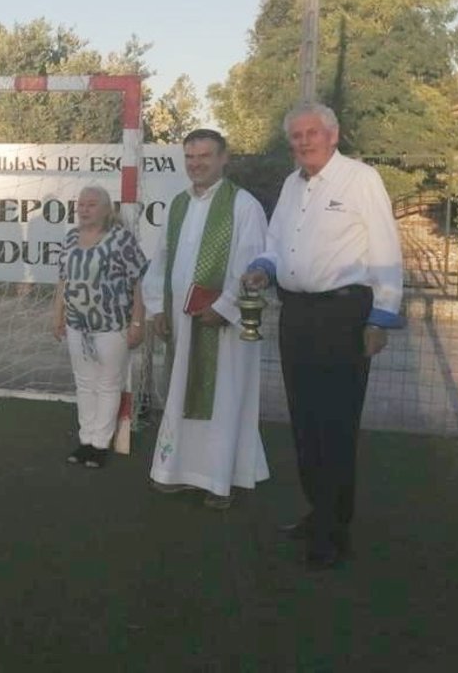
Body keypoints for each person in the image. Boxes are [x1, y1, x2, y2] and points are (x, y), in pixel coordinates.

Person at [242, 102, 403, 570]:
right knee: (304, 419)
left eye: (312, 132)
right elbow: (276, 243)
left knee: (335, 422)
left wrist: (382, 316)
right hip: (297, 314)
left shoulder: (361, 179)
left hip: (343, 314)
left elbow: (386, 249)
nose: (304, 141)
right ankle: (319, 511)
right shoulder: (291, 185)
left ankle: (335, 530)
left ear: (333, 135)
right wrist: (262, 268)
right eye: (296, 135)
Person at [143, 129, 269, 509]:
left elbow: (253, 264)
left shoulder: (243, 205)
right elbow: (160, 259)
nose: (196, 164)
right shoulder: (178, 204)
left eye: (205, 156)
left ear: (224, 158)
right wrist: (157, 307)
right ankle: (177, 471)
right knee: (183, 395)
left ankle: (220, 481)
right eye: (190, 157)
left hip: (223, 327)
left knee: (223, 399)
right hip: (181, 322)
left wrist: (225, 306)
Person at [52, 185, 147, 468]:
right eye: (81, 204)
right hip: (77, 326)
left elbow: (139, 282)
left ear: (107, 209)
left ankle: (100, 444)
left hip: (112, 326)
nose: (84, 209)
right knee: (84, 383)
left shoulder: (121, 239)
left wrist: (137, 322)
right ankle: (86, 439)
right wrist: (57, 315)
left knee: (108, 384)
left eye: (91, 204)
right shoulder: (71, 238)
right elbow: (63, 280)